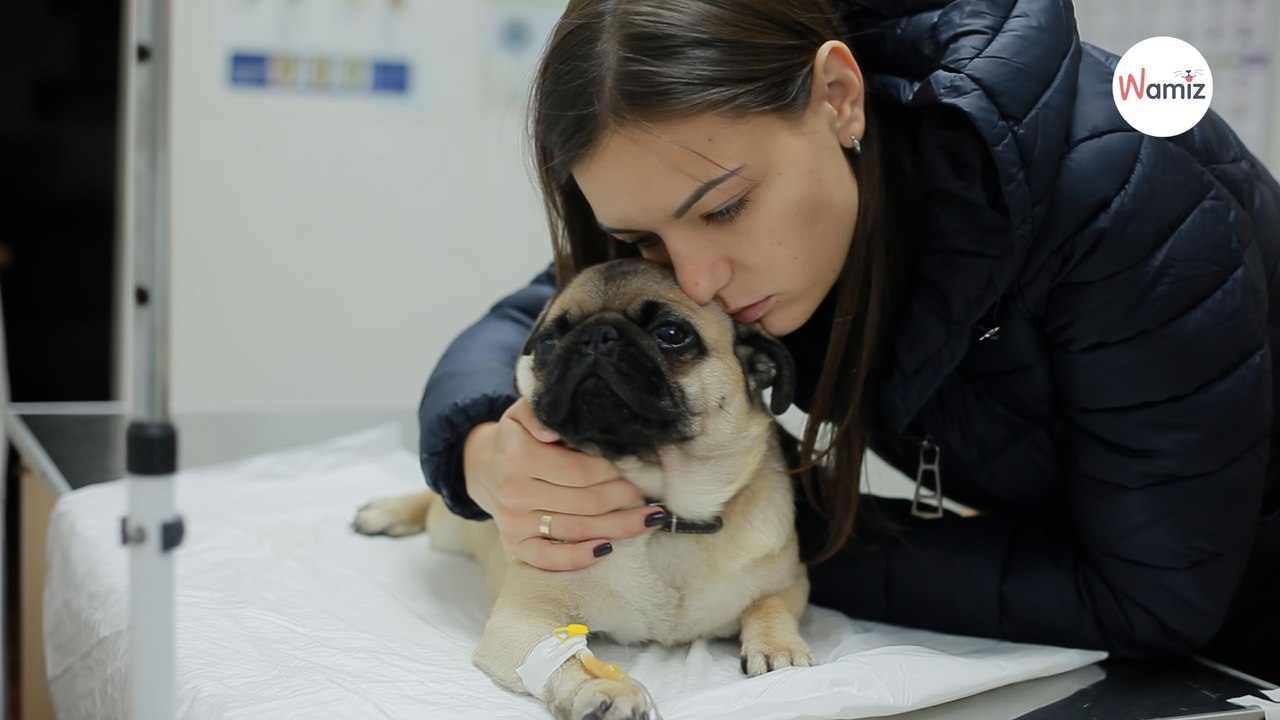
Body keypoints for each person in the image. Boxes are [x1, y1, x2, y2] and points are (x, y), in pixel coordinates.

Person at [419, 0, 1280, 680]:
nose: (695, 278)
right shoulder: (719, 196)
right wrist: (479, 446)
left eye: (724, 208)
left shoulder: (1133, 202)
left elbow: (1154, 599)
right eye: (643, 242)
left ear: (838, 97)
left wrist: (762, 557)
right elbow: (528, 320)